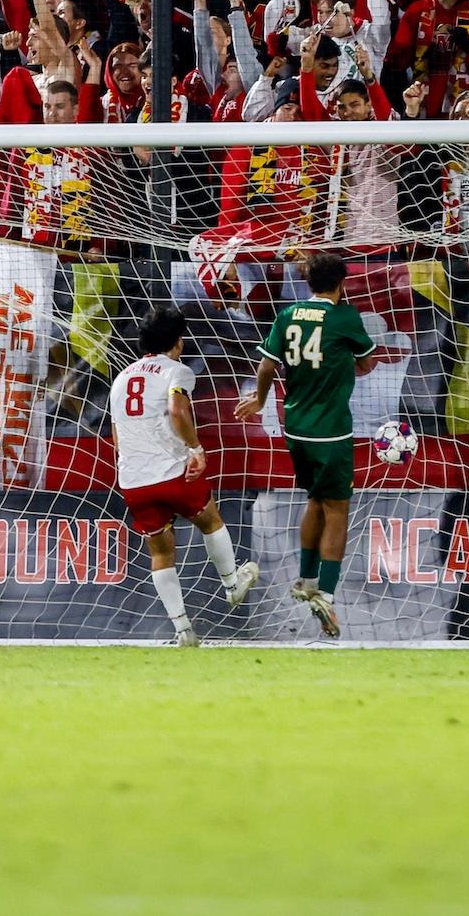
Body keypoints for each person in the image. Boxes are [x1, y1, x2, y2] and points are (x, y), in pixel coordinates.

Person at [238, 254, 380, 639]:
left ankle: (306, 578)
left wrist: (261, 400)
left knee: (315, 499)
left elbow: (266, 367)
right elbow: (367, 364)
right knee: (337, 509)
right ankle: (327, 596)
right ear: (342, 283)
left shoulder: (287, 315)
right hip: (331, 429)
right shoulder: (345, 317)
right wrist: (341, 363)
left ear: (308, 283)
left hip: (295, 426)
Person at [109, 308, 260, 647]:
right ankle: (232, 585)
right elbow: (178, 410)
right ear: (178, 342)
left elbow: (117, 437)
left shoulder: (121, 379)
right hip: (173, 472)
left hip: (134, 480)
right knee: (210, 520)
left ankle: (183, 630)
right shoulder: (177, 371)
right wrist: (195, 448)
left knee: (160, 554)